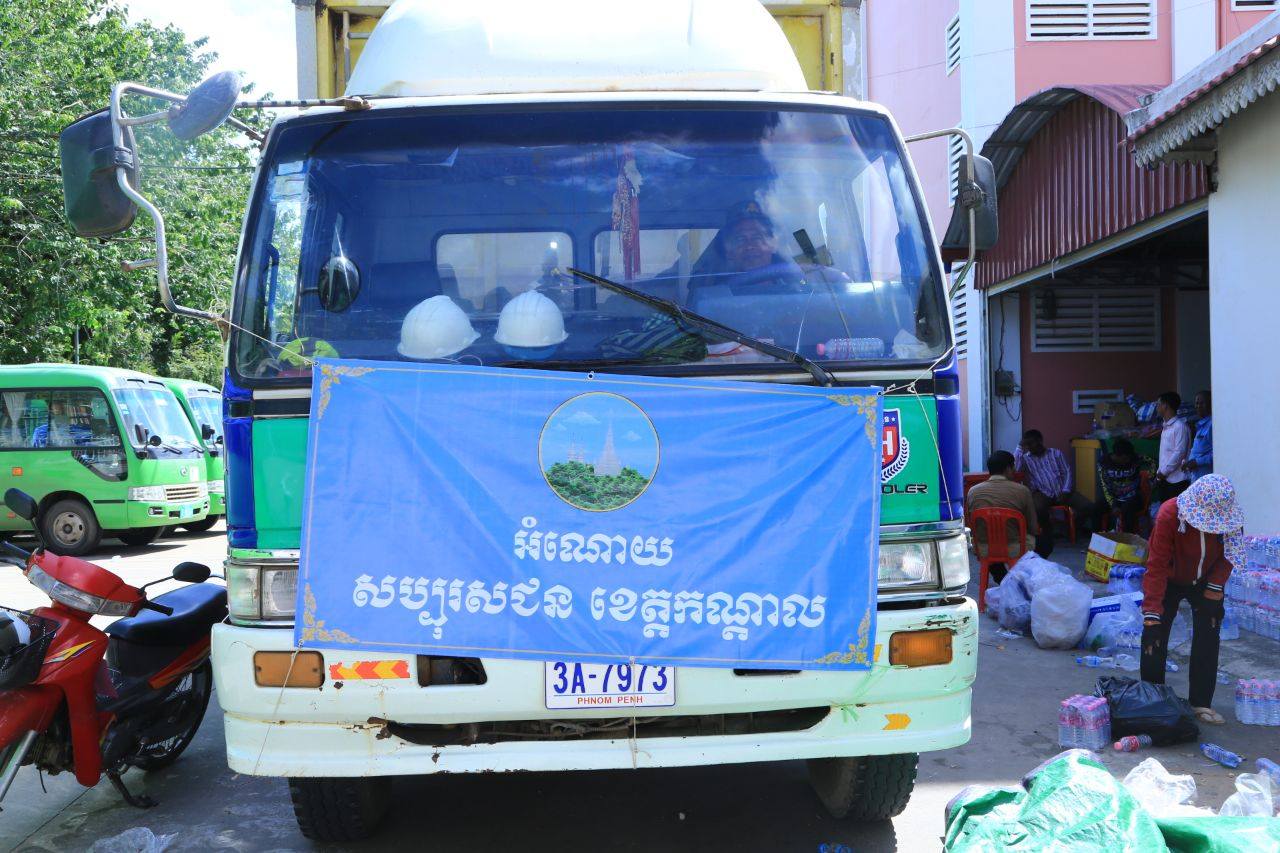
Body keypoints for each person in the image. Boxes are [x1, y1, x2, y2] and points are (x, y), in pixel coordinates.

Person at [1140, 474, 1243, 725]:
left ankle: (1201, 703)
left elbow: (1230, 554)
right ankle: (1153, 701)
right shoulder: (1168, 515)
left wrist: (1215, 586)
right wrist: (1152, 611)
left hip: (1206, 580)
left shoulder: (1231, 517)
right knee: (1154, 636)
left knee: (1208, 637)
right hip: (1170, 578)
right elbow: (1156, 565)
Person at [1013, 429, 1092, 557]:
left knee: (1087, 506)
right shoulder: (1026, 459)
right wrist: (1020, 447)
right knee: (1037, 508)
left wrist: (1065, 490)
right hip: (1043, 492)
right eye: (1027, 445)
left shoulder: (1056, 453)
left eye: (1032, 443)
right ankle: (1048, 536)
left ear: (1040, 441)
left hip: (1063, 490)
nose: (1030, 447)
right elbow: (1015, 469)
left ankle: (1073, 528)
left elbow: (1067, 472)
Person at [965, 450, 1038, 584]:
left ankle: (1003, 579)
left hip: (984, 548)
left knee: (993, 545)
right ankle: (1020, 580)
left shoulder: (973, 491)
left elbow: (970, 523)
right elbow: (1033, 527)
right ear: (1008, 468)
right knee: (1044, 542)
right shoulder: (1022, 491)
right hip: (1015, 547)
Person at [1092, 438, 1149, 533]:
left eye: (1129, 458)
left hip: (1133, 498)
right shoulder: (1103, 463)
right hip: (1113, 498)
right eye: (1125, 459)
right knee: (1096, 507)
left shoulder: (1135, 458)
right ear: (1116, 456)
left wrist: (1151, 475)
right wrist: (1113, 505)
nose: (1127, 461)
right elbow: (1104, 486)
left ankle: (1127, 540)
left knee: (1127, 508)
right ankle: (1096, 539)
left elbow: (1152, 462)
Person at [1152, 390, 1191, 506]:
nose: (1157, 407)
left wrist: (1163, 472)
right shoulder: (1166, 427)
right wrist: (1160, 474)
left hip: (1177, 480)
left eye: (1158, 404)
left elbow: (1179, 453)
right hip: (1165, 479)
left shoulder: (1180, 427)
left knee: (1176, 515)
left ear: (1165, 406)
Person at [1184, 390, 1212, 483]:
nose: (1198, 406)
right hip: (1196, 478)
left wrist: (1197, 462)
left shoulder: (1212, 425)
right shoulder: (1200, 425)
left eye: (1202, 403)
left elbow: (1217, 454)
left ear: (1210, 404)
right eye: (1196, 403)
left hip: (1206, 480)